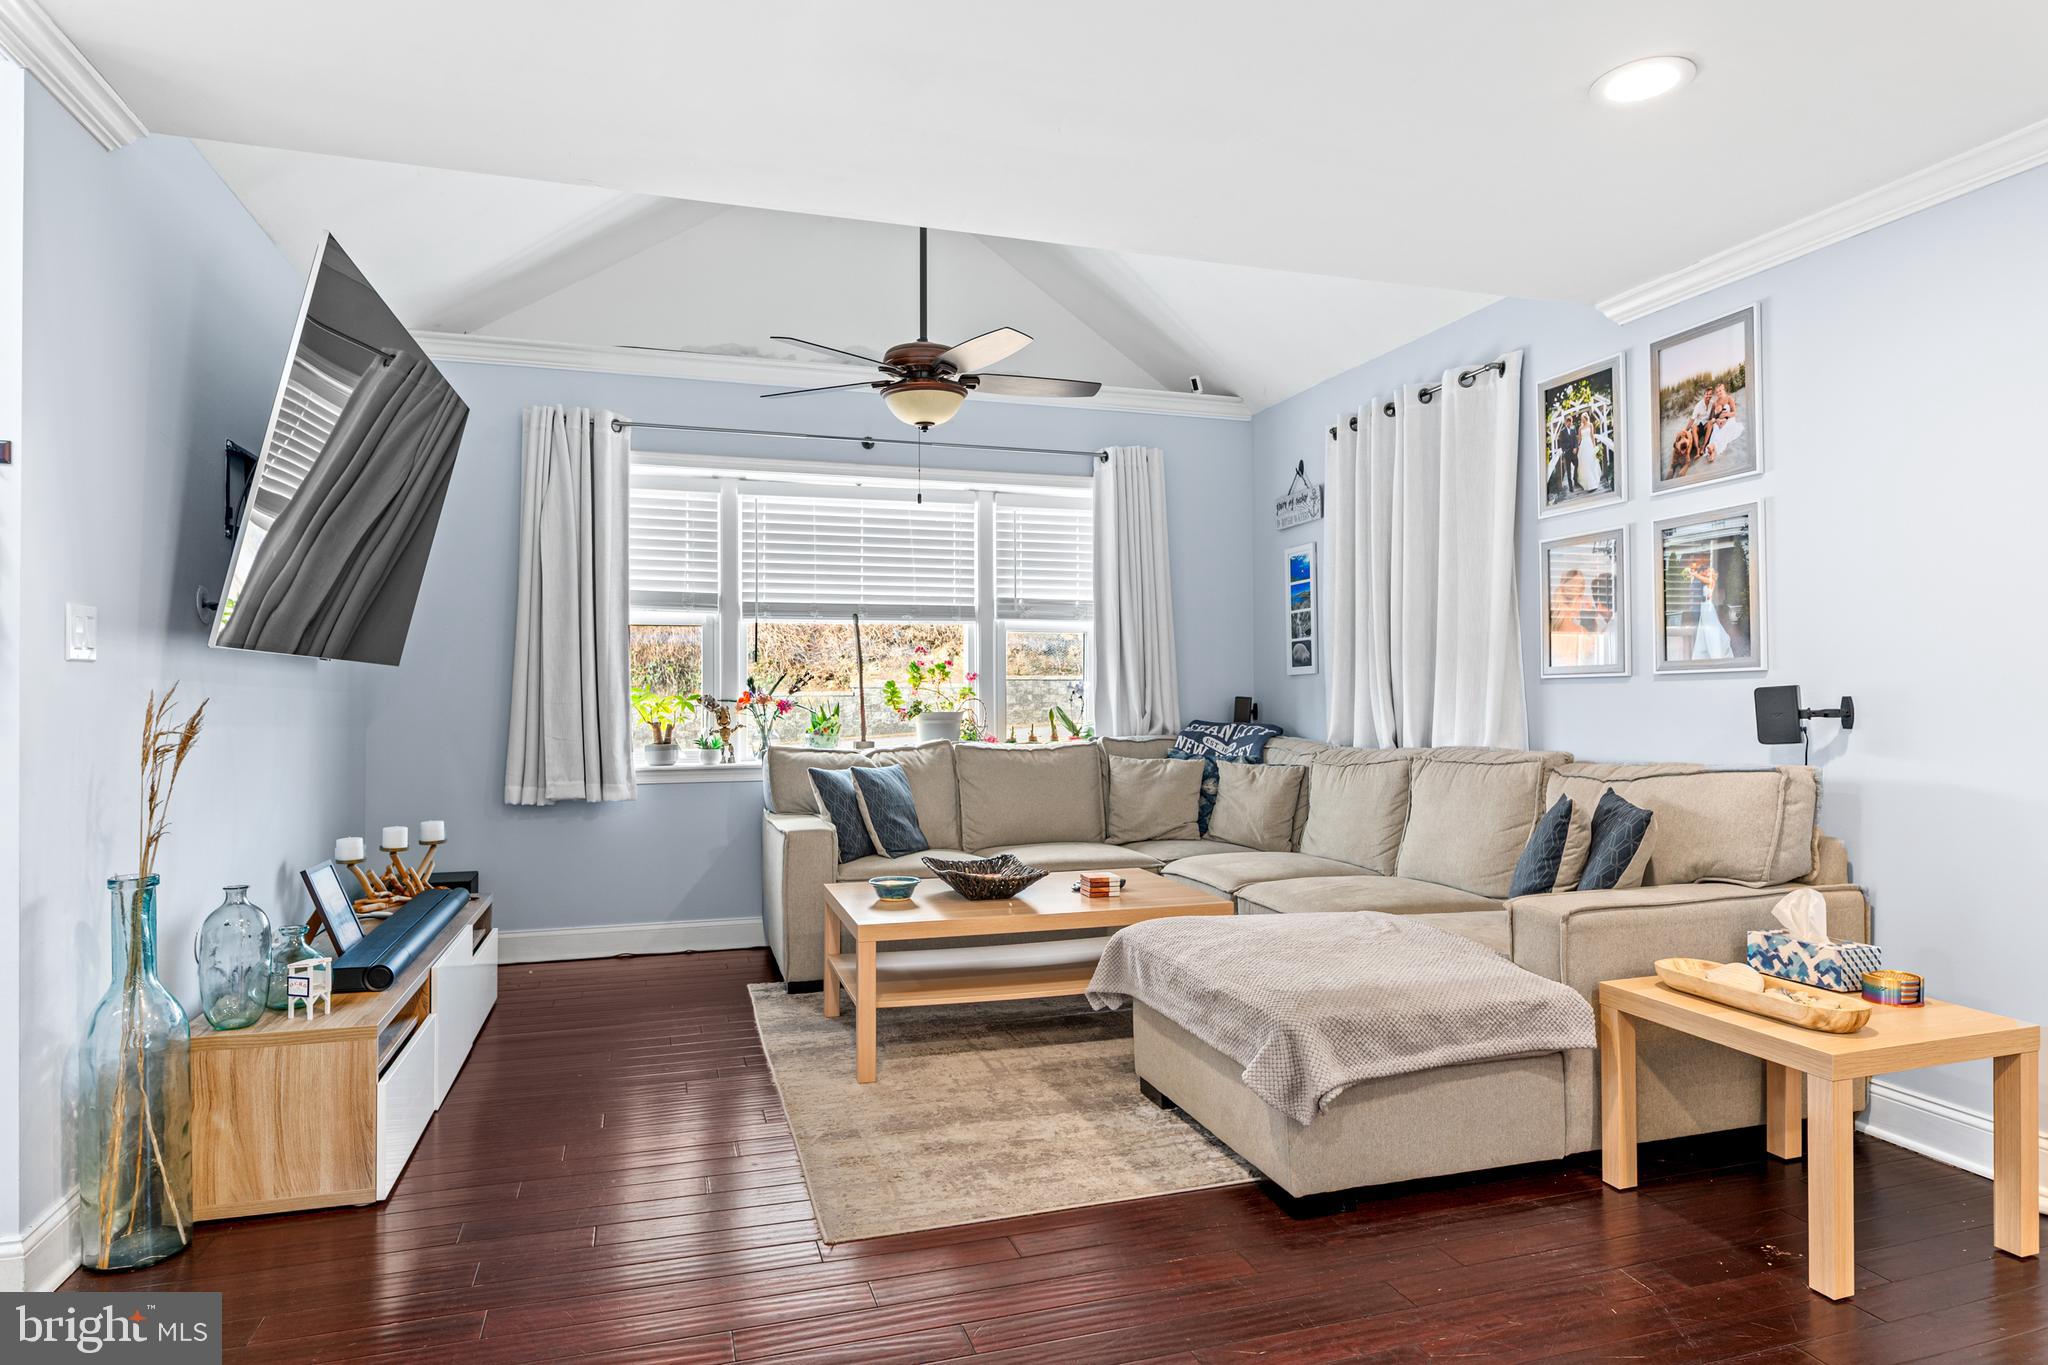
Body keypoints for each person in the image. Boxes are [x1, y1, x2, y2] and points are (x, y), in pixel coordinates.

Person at [1685, 559, 1733, 659]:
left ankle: (1715, 652)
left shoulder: (1711, 581)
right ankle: (1702, 653)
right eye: (1707, 570)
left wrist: (1693, 573)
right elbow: (1698, 579)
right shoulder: (1704, 581)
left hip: (1708, 607)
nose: (1707, 571)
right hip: (1704, 607)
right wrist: (1692, 575)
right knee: (1703, 631)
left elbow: (1700, 577)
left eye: (1709, 570)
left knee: (1711, 629)